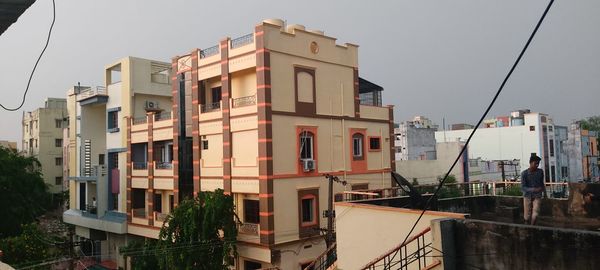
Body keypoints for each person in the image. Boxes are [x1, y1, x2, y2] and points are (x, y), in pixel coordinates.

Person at [521, 154, 545, 225]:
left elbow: (542, 183)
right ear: (530, 163)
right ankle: (527, 228)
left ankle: (532, 227)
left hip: (537, 195)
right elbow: (523, 187)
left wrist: (544, 193)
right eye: (535, 163)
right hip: (527, 196)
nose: (537, 165)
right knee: (527, 215)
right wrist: (533, 189)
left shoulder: (540, 172)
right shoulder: (524, 174)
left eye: (538, 163)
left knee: (536, 213)